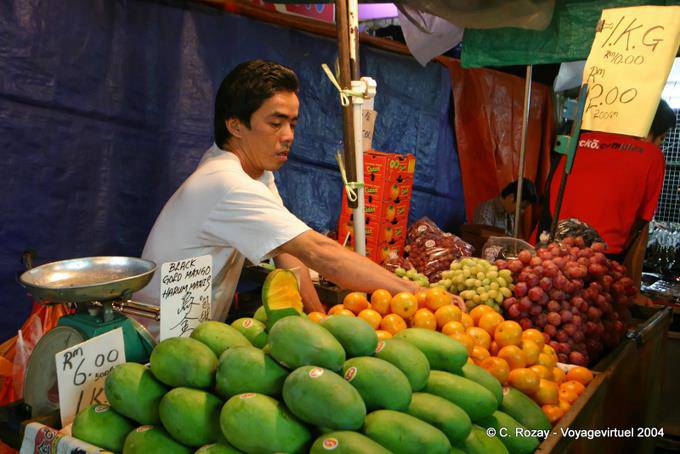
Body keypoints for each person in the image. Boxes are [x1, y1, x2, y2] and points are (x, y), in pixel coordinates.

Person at [135, 60, 419, 323]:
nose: (289, 136)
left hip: (195, 335)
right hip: (161, 341)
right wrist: (411, 291)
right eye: (276, 123)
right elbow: (319, 252)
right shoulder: (226, 182)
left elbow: (288, 252)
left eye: (292, 124)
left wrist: (317, 319)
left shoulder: (253, 171)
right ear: (235, 125)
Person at [542, 99, 676, 258]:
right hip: (603, 254)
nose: (660, 145)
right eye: (661, 139)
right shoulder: (652, 156)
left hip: (548, 245)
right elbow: (642, 218)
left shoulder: (578, 141)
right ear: (647, 129)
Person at [472, 178, 539, 235]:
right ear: (512, 197)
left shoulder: (509, 214)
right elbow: (484, 242)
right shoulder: (486, 211)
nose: (522, 212)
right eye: (521, 208)